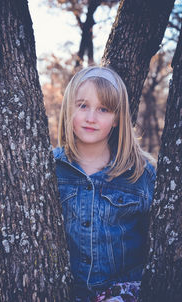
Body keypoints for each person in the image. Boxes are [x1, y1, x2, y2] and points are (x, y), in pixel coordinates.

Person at [53, 66, 156, 302]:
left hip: (124, 294)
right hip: (66, 293)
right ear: (69, 109)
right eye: (82, 106)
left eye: (103, 109)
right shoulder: (51, 168)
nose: (91, 118)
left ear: (118, 117)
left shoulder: (140, 174)